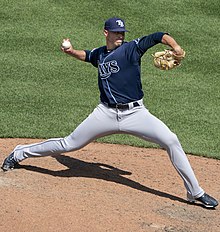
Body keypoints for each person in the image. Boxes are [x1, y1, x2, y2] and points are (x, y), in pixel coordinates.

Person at [1, 17, 218, 208]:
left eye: (122, 33)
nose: (120, 36)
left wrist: (176, 47)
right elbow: (86, 55)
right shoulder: (100, 54)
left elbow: (159, 35)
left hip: (136, 114)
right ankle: (20, 152)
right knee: (69, 144)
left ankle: (195, 192)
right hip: (104, 114)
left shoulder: (132, 47)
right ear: (106, 33)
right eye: (116, 33)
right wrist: (70, 51)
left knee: (171, 140)